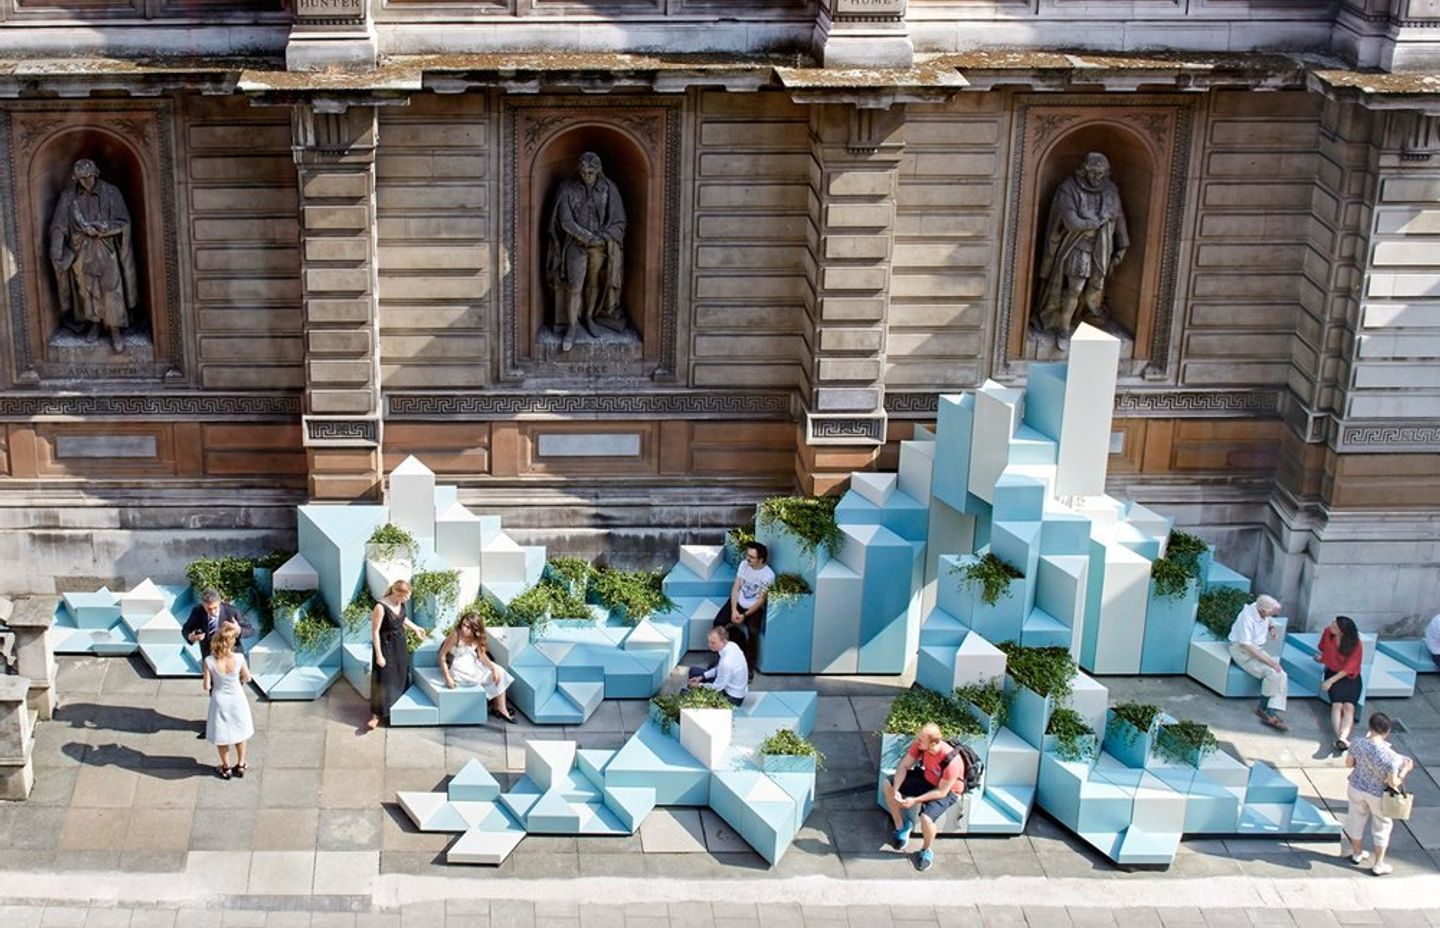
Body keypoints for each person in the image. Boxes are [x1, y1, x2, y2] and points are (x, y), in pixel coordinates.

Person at [1033, 151, 1128, 352]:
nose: (1098, 178)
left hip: (1102, 248)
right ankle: (1064, 328)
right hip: (1077, 248)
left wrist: (1121, 246)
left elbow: (1119, 219)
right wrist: (1098, 221)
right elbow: (1072, 222)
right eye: (1093, 173)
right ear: (1084, 171)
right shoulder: (1069, 189)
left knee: (1095, 288)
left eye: (1101, 173)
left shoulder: (1111, 190)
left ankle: (1088, 318)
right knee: (1074, 289)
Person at [48, 158, 139, 353]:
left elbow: (124, 222)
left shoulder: (111, 192)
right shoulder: (68, 197)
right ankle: (95, 323)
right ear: (75, 178)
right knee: (87, 289)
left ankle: (114, 329)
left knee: (112, 289)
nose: (87, 181)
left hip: (107, 249)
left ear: (96, 173)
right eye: (82, 178)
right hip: (81, 250)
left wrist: (105, 228)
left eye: (90, 176)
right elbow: (58, 227)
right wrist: (56, 254)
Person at [546, 151, 627, 352]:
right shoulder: (567, 188)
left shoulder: (609, 188)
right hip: (575, 244)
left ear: (598, 170)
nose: (587, 175)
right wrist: (587, 237)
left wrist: (603, 238)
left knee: (593, 283)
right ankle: (572, 327)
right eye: (583, 171)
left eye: (591, 171)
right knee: (574, 286)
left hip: (599, 246)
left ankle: (590, 317)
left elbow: (619, 220)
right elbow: (564, 220)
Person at [883, 722, 966, 872]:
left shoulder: (952, 762)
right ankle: (901, 827)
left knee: (926, 819)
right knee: (887, 784)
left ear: (933, 743)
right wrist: (896, 789)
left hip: (947, 790)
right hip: (928, 779)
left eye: (921, 739)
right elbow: (904, 766)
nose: (917, 740)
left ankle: (926, 850)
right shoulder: (920, 745)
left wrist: (914, 800)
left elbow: (941, 792)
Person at [1344, 712, 1413, 876]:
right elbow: (1393, 783)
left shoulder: (1357, 743)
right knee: (1382, 826)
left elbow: (1348, 764)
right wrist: (1405, 771)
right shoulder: (1391, 757)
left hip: (1356, 787)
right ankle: (1378, 864)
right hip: (1377, 795)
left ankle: (1357, 853)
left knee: (1355, 820)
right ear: (1387, 731)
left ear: (1370, 727)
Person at [182, 588, 253, 738]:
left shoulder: (231, 612)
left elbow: (250, 630)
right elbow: (186, 629)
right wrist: (192, 637)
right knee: (215, 694)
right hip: (212, 659)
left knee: (234, 693)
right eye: (209, 609)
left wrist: (238, 629)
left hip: (231, 658)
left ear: (219, 603)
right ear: (203, 605)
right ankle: (217, 724)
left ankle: (234, 724)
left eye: (215, 608)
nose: (213, 611)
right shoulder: (198, 612)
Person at [437, 610, 516, 723]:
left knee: (500, 672)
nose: (464, 628)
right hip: (459, 665)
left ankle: (500, 707)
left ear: (475, 629)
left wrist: (493, 669)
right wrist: (447, 678)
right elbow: (442, 655)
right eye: (463, 625)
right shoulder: (456, 634)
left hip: (472, 660)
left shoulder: (477, 636)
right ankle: (499, 708)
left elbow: (482, 655)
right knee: (482, 676)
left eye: (468, 627)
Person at [367, 579, 426, 731]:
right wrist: (379, 655)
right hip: (385, 645)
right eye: (406, 596)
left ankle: (396, 707)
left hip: (399, 643)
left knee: (400, 674)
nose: (408, 599)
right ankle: (376, 715)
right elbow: (374, 632)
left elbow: (402, 618)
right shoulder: (380, 607)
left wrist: (416, 628)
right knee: (384, 677)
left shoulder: (400, 603)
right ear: (397, 593)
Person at [1227, 594, 1289, 731]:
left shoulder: (1260, 606)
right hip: (1243, 651)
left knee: (1282, 674)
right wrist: (1270, 662)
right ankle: (1263, 709)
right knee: (1271, 672)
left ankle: (1271, 709)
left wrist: (1271, 628)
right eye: (1272, 613)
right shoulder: (1247, 619)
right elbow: (1246, 645)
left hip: (1256, 648)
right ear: (1263, 611)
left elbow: (1269, 618)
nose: (1273, 615)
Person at [711, 541, 773, 678]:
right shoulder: (744, 565)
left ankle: (748, 666)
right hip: (737, 602)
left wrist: (744, 615)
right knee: (718, 623)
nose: (747, 558)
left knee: (753, 632)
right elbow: (736, 587)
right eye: (747, 555)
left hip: (753, 608)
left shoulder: (769, 575)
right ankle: (721, 658)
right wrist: (734, 610)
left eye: (751, 557)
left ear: (760, 559)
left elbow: (761, 600)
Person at [203, 625, 254, 780]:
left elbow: (206, 686)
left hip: (219, 700)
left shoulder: (209, 661)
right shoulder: (238, 658)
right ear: (231, 642)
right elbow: (248, 678)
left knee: (222, 734)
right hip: (237, 698)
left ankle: (226, 767)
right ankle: (241, 764)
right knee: (240, 732)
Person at [1314, 615, 1363, 755]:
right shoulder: (1328, 633)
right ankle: (1339, 737)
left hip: (1349, 677)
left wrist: (1330, 681)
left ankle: (1343, 737)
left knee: (1349, 706)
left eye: (1335, 626)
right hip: (1333, 672)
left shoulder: (1356, 644)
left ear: (1343, 631)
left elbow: (1349, 668)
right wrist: (1323, 659)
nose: (1331, 627)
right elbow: (1323, 648)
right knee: (1337, 705)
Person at [687, 625, 747, 706]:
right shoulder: (732, 645)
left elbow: (717, 687)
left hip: (732, 698)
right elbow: (718, 669)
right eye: (709, 641)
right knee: (694, 671)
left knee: (689, 691)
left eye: (713, 643)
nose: (709, 645)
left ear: (724, 641)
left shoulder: (726, 662)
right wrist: (701, 677)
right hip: (728, 685)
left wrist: (699, 685)